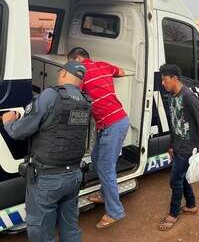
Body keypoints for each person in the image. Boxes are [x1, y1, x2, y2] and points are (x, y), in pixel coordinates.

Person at [2, 61, 90, 242]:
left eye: (60, 72)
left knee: (41, 232)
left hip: (48, 179)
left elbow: (19, 131)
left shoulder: (52, 95)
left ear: (64, 74)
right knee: (70, 227)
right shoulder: (85, 101)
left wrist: (9, 121)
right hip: (74, 175)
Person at [67, 47, 129, 228]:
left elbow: (70, 92)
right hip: (114, 121)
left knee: (106, 167)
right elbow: (122, 72)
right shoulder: (103, 65)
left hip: (114, 124)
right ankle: (104, 194)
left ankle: (115, 211)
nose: (70, 68)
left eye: (71, 63)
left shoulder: (82, 73)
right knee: (96, 158)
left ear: (78, 59)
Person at [157, 64, 199, 231]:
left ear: (174, 79)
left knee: (175, 180)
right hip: (178, 146)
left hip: (188, 148)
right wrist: (171, 146)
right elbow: (174, 125)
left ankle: (173, 213)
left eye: (165, 80)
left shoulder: (188, 96)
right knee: (183, 178)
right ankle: (191, 205)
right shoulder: (172, 96)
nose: (163, 84)